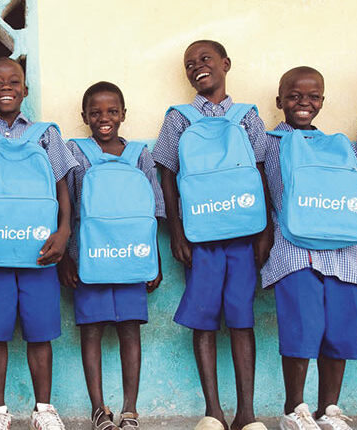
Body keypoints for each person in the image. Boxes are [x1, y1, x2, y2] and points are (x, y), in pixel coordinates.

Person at [152, 40, 271, 430]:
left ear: (225, 64)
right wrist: (177, 231)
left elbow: (260, 172)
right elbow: (167, 175)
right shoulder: (179, 118)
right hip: (201, 234)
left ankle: (246, 414)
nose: (197, 67)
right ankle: (213, 412)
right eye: (190, 64)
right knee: (203, 318)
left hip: (244, 232)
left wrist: (265, 229)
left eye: (205, 59)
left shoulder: (247, 116)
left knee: (241, 319)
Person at [0, 57, 77, 430]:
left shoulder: (46, 135)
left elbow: (62, 187)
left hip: (40, 251)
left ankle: (44, 410)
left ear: (25, 89)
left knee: (40, 333)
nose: (6, 87)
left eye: (13, 81)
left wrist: (64, 231)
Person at [264, 66, 357, 430]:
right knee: (302, 326)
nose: (303, 103)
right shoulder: (268, 142)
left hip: (344, 251)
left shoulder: (340, 146)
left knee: (340, 328)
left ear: (323, 101)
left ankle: (329, 410)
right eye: (294, 96)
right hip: (295, 249)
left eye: (313, 97)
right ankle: (294, 409)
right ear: (280, 100)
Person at [58, 81, 165, 430]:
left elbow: (153, 209)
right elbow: (66, 207)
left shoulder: (140, 154)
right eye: (95, 112)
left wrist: (154, 260)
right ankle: (98, 409)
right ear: (84, 116)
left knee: (130, 329)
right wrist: (67, 257)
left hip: (133, 256)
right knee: (91, 330)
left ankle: (130, 409)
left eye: (112, 111)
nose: (104, 118)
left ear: (123, 114)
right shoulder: (74, 152)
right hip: (89, 256)